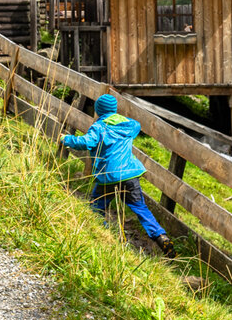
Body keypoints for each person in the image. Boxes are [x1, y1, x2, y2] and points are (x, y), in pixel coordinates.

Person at [60, 94, 176, 258]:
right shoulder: (129, 126)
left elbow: (86, 143)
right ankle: (160, 236)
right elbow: (137, 125)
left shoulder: (99, 127)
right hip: (129, 175)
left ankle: (108, 235)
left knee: (96, 206)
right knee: (140, 208)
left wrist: (67, 139)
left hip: (108, 176)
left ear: (99, 111)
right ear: (114, 110)